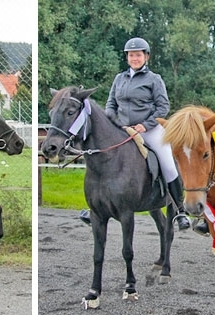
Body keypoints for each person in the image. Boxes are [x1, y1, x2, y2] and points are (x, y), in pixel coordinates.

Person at [80, 37, 191, 231]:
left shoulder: (153, 79)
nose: (135, 58)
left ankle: (180, 210)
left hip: (149, 129)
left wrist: (145, 125)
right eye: (131, 55)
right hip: (122, 129)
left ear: (146, 56)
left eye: (138, 55)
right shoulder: (119, 78)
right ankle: (96, 207)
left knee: (167, 162)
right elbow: (111, 104)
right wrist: (112, 123)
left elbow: (163, 106)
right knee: (100, 157)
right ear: (127, 58)